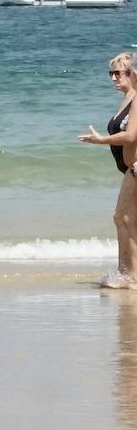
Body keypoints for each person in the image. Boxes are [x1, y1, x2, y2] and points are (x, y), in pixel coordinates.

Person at [79, 52, 137, 287]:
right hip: (130, 169)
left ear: (132, 74)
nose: (113, 78)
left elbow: (131, 136)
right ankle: (126, 273)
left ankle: (130, 275)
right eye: (111, 73)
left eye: (119, 73)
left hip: (136, 167)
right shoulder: (128, 98)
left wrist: (101, 140)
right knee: (126, 219)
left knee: (122, 218)